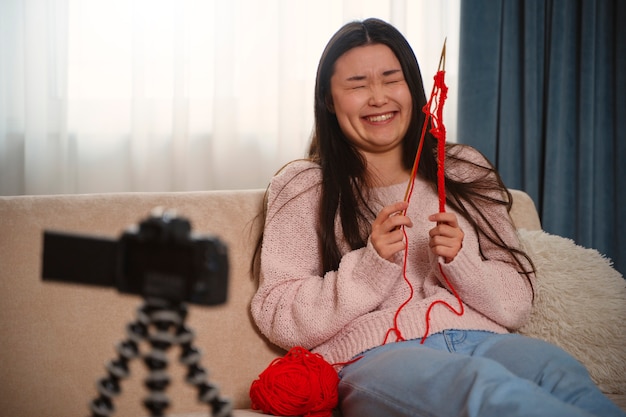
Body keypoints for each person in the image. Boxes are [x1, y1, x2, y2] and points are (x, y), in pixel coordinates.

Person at [250, 17, 625, 417]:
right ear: (329, 99)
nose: (378, 97)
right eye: (358, 85)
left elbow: (516, 300)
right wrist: (368, 267)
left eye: (391, 79)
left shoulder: (463, 168)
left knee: (560, 372)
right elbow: (279, 314)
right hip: (376, 355)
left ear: (414, 88)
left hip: (482, 337)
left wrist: (461, 264)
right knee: (483, 390)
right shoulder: (304, 185)